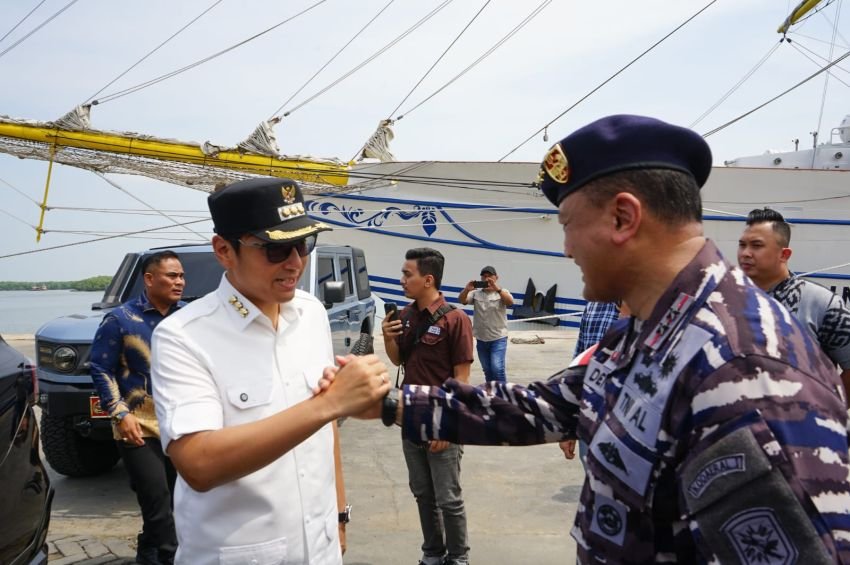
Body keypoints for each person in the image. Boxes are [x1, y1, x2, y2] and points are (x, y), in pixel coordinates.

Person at [336, 115, 850, 562]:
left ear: (623, 217)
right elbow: (538, 406)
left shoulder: (742, 367)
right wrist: (390, 403)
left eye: (568, 225)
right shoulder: (654, 332)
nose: (564, 250)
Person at [150, 178, 390, 565]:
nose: (294, 262)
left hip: (321, 547)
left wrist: (340, 514)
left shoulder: (311, 313)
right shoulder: (184, 336)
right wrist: (331, 404)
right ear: (224, 250)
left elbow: (324, 433)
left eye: (303, 244)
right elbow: (198, 464)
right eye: (276, 248)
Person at [90, 250, 185, 565]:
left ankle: (147, 555)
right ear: (149, 278)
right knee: (156, 501)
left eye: (181, 276)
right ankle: (172, 558)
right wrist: (119, 413)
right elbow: (100, 368)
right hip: (138, 426)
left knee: (177, 503)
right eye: (172, 275)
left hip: (181, 423)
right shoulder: (119, 319)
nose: (179, 282)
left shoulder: (188, 318)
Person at [381, 247, 473, 565]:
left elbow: (462, 378)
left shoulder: (456, 319)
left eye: (408, 274)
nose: (402, 279)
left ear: (428, 279)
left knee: (448, 497)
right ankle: (432, 553)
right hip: (410, 417)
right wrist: (388, 337)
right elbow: (399, 360)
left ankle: (458, 558)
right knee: (422, 492)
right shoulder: (404, 317)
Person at [738, 206, 850, 402]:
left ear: (784, 254)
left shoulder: (820, 303)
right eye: (742, 245)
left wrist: (829, 411)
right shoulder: (726, 299)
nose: (746, 253)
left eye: (756, 245)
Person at [559, 300, 621, 463]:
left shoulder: (651, 305)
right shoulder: (594, 306)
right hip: (590, 411)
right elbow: (578, 366)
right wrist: (569, 424)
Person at [458, 265, 514, 382]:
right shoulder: (476, 294)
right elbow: (462, 300)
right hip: (481, 339)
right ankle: (490, 394)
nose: (487, 279)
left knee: (497, 369)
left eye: (490, 276)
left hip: (498, 338)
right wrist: (467, 289)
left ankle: (503, 395)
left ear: (496, 277)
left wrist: (497, 289)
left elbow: (509, 302)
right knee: (487, 370)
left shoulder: (503, 292)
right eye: (484, 276)